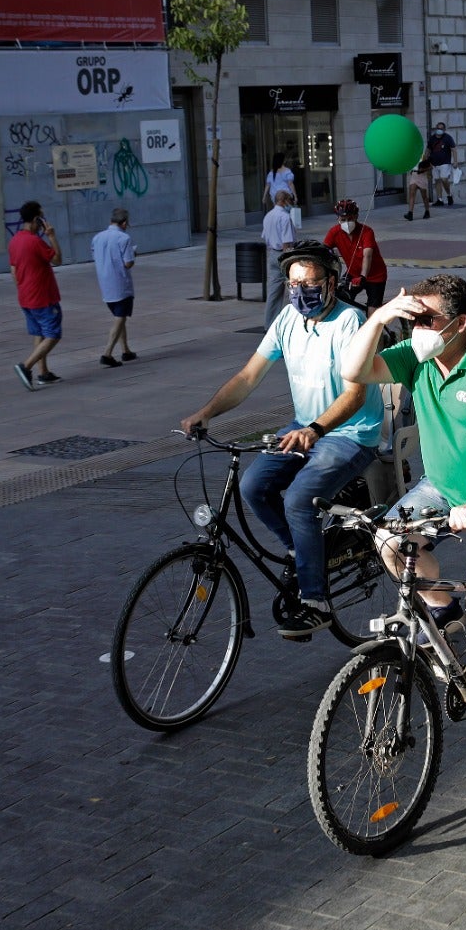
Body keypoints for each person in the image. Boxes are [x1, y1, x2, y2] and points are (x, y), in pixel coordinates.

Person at [342, 274, 466, 765]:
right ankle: (446, 610)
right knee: (389, 541)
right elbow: (354, 369)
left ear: (460, 323)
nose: (417, 329)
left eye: (426, 319)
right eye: (412, 320)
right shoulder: (416, 358)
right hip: (440, 487)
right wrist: (380, 316)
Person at [179, 243, 382, 639]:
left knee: (298, 500)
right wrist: (207, 411)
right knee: (253, 486)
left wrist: (315, 430)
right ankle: (303, 550)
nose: (300, 292)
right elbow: (247, 377)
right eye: (293, 284)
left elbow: (355, 395)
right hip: (303, 427)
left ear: (331, 282)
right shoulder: (288, 319)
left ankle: (315, 602)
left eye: (310, 283)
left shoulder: (350, 322)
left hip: (350, 434)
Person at [9, 201, 63, 389]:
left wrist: (23, 288)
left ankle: (44, 372)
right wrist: (52, 237)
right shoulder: (35, 241)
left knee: (39, 332)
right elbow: (57, 259)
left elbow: (13, 270)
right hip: (43, 297)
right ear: (36, 220)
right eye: (41, 218)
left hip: (26, 297)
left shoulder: (15, 240)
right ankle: (26, 366)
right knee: (53, 334)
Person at [92, 207, 137, 367]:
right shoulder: (123, 238)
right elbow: (128, 263)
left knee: (119, 316)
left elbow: (95, 256)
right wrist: (133, 254)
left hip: (105, 283)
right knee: (120, 318)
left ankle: (125, 350)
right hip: (120, 283)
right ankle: (107, 353)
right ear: (124, 223)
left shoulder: (97, 237)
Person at [322, 199, 385, 311]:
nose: (346, 223)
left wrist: (363, 276)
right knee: (340, 300)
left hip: (375, 275)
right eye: (343, 219)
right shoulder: (334, 232)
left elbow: (367, 255)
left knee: (372, 312)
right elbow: (323, 251)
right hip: (352, 273)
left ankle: (381, 310)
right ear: (338, 219)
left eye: (350, 219)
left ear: (356, 216)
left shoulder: (367, 231)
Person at [261, 188, 298, 329]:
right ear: (283, 201)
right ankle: (296, 322)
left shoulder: (268, 216)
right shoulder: (284, 217)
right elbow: (286, 243)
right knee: (295, 290)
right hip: (283, 256)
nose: (290, 204)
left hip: (272, 253)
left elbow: (265, 237)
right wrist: (290, 260)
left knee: (273, 293)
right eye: (289, 200)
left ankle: (269, 325)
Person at [428, 121, 457, 206]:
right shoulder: (432, 138)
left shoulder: (448, 138)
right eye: (438, 128)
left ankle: (449, 195)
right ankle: (439, 199)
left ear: (444, 130)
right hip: (434, 163)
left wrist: (455, 161)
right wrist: (426, 161)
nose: (439, 130)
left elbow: (454, 149)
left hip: (445, 163)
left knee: (444, 179)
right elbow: (428, 150)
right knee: (437, 180)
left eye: (441, 128)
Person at [405, 154, 433, 221]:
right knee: (411, 194)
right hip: (414, 175)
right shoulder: (412, 155)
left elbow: (431, 167)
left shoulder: (423, 155)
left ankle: (427, 211)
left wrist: (423, 169)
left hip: (422, 175)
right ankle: (410, 213)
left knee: (424, 196)